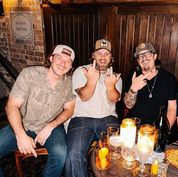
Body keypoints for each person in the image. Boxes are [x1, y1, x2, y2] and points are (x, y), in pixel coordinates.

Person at [0, 45, 76, 177]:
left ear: (70, 67)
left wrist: (51, 125)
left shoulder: (68, 83)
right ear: (51, 58)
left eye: (68, 61)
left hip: (51, 125)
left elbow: (69, 109)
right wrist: (21, 135)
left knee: (60, 153)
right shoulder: (30, 74)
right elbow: (11, 106)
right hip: (23, 123)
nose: (63, 63)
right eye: (59, 58)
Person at [65, 39, 122, 177]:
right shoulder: (82, 71)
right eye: (99, 53)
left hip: (108, 118)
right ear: (93, 56)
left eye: (106, 54)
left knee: (117, 152)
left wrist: (110, 86)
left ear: (111, 58)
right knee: (74, 154)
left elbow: (113, 99)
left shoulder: (115, 76)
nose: (102, 57)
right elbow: (84, 96)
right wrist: (91, 80)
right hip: (81, 119)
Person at [124, 42, 178, 142]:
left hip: (156, 128)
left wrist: (163, 132)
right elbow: (128, 106)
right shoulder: (132, 77)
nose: (144, 58)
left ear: (155, 56)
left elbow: (172, 108)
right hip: (134, 127)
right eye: (140, 56)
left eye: (148, 54)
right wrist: (133, 89)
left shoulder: (169, 79)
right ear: (138, 60)